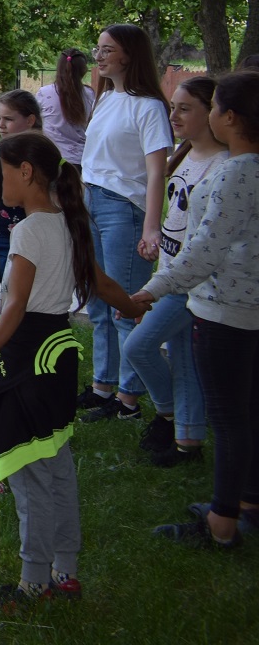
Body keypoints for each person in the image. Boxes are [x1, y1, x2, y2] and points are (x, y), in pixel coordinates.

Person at [0, 130, 141, 608]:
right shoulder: (69, 222)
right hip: (58, 358)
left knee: (29, 472)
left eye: (1, 175)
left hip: (27, 361)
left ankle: (33, 582)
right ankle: (65, 572)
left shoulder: (27, 231)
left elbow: (14, 308)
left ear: (26, 173)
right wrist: (135, 306)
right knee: (57, 465)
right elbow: (102, 282)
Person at [132, 70, 259, 549]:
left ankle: (221, 524)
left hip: (226, 312)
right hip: (249, 309)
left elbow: (205, 250)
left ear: (227, 116)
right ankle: (248, 502)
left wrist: (151, 290)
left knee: (229, 420)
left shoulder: (235, 172)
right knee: (249, 414)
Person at [124, 75, 223, 467]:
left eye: (185, 108)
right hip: (169, 271)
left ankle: (166, 415)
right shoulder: (184, 155)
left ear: (213, 113)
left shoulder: (224, 165)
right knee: (182, 358)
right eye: (172, 107)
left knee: (138, 346)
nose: (174, 115)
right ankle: (188, 442)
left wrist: (158, 288)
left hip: (192, 281)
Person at [77, 24, 172, 423]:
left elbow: (156, 173)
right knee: (99, 302)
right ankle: (103, 385)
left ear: (129, 55)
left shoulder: (148, 106)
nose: (98, 57)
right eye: (97, 49)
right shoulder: (106, 98)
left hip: (122, 211)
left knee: (125, 307)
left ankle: (128, 400)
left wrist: (151, 228)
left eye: (107, 50)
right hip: (90, 202)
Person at [0, 91, 43, 315]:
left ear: (30, 120)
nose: (1, 124)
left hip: (26, 239)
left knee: (16, 297)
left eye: (8, 119)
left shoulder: (40, 155)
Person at [36, 49, 96, 166]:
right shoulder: (90, 94)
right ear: (83, 71)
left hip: (52, 159)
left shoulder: (44, 93)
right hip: (82, 160)